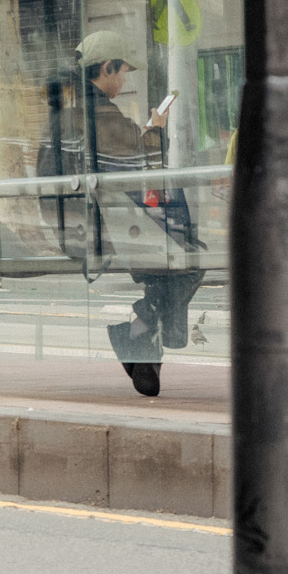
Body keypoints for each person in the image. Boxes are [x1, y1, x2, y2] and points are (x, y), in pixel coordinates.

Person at [76, 30, 199, 398]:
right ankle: (141, 330)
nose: (124, 80)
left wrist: (143, 133)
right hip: (104, 228)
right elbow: (144, 165)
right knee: (192, 254)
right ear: (106, 68)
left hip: (92, 221)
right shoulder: (100, 113)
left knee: (180, 253)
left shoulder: (77, 110)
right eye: (122, 72)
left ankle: (143, 338)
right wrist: (155, 131)